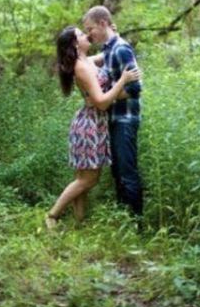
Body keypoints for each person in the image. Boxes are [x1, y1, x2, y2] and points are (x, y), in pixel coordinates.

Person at [45, 26, 141, 228]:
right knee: (88, 180)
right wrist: (123, 80)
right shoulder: (81, 67)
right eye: (81, 34)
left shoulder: (85, 61)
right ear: (74, 44)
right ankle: (52, 216)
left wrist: (114, 35)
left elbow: (108, 53)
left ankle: (79, 222)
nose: (86, 35)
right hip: (90, 125)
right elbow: (102, 102)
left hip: (90, 122)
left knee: (82, 178)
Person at [82, 5, 144, 216]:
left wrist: (102, 99)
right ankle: (123, 221)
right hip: (113, 118)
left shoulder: (121, 49)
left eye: (91, 29)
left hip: (125, 119)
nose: (89, 35)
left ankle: (137, 226)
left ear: (102, 23)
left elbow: (135, 89)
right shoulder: (109, 49)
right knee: (117, 173)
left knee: (127, 173)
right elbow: (85, 62)